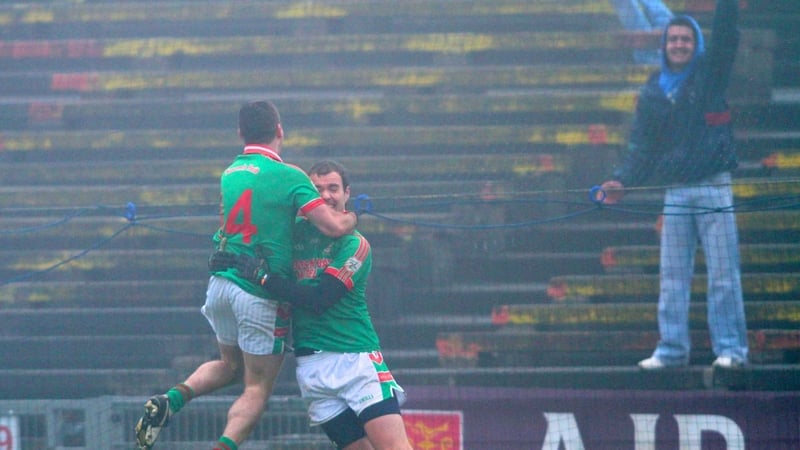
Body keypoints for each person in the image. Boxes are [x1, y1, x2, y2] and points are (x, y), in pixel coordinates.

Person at [134, 101, 358, 450]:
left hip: (221, 282)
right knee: (256, 386)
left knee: (229, 364)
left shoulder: (230, 173)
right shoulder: (290, 176)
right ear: (280, 130)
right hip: (258, 290)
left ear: (240, 133)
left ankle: (172, 399)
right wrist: (353, 218)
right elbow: (332, 227)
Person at [212, 160, 412, 450]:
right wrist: (223, 259)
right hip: (312, 369)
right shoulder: (291, 236)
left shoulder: (354, 245)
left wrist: (265, 278)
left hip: (354, 361)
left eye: (333, 188)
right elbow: (247, 241)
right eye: (317, 190)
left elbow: (319, 300)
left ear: (347, 193)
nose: (327, 195)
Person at [597, 0, 748, 370]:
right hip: (676, 191)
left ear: (696, 45)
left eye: (685, 39)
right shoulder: (652, 91)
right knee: (673, 278)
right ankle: (671, 351)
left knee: (724, 277)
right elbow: (641, 148)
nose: (679, 44)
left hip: (713, 187)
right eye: (673, 38)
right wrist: (621, 180)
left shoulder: (710, 75)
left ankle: (731, 351)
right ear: (664, 44)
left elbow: (727, 38)